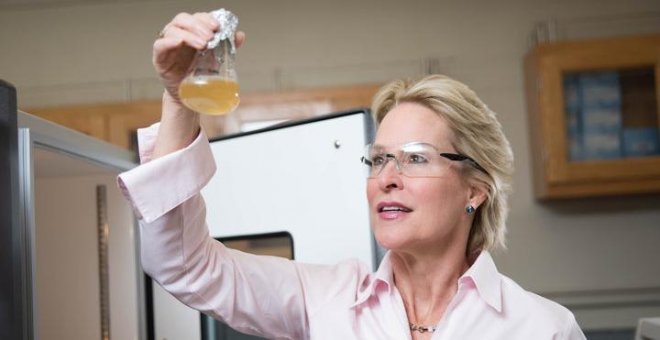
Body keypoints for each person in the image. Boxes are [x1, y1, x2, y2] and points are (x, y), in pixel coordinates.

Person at [117, 12, 587, 340]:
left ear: (476, 189)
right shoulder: (326, 300)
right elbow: (186, 267)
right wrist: (180, 99)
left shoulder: (542, 328)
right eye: (378, 159)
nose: (387, 177)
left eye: (416, 157)